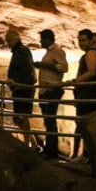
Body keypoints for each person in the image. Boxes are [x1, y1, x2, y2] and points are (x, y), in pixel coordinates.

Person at [66, 29, 96, 160]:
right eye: (79, 40)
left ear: (90, 41)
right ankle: (88, 154)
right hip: (92, 95)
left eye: (83, 40)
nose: (81, 43)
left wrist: (74, 81)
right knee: (88, 125)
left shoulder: (91, 53)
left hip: (90, 95)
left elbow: (91, 72)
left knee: (84, 125)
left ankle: (87, 155)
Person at [33, 29, 68, 159]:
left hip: (51, 90)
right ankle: (49, 149)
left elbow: (64, 68)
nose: (40, 41)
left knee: (50, 120)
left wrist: (46, 65)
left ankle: (52, 152)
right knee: (48, 121)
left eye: (42, 39)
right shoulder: (48, 52)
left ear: (48, 39)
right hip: (45, 90)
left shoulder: (57, 51)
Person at [5, 29, 40, 151]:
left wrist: (17, 82)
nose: (8, 43)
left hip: (24, 88)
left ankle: (27, 145)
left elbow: (27, 70)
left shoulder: (22, 51)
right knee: (19, 117)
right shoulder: (18, 51)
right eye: (7, 40)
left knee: (21, 116)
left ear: (16, 39)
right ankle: (34, 145)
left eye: (9, 40)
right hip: (21, 88)